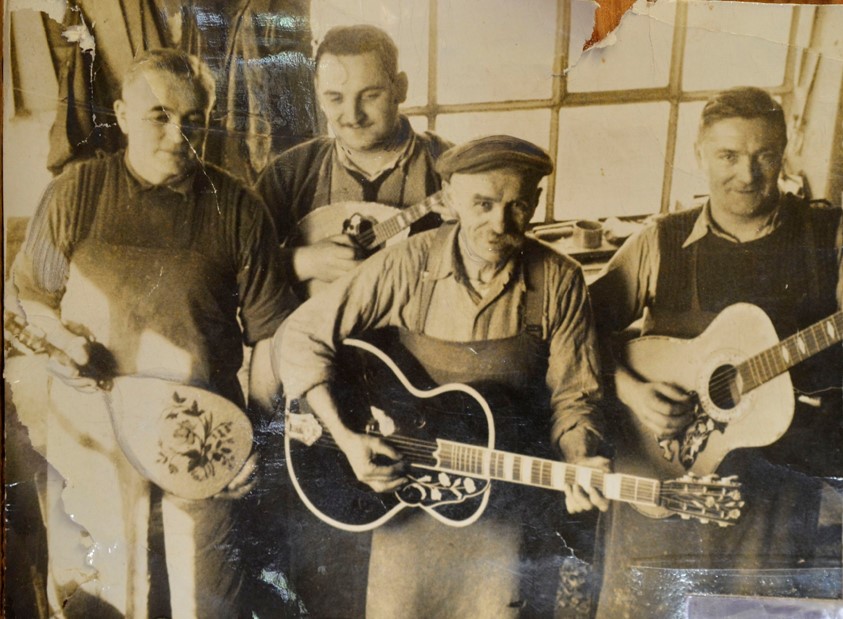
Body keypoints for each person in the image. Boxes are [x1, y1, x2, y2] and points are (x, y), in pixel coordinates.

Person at [275, 135, 611, 617]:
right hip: (411, 496)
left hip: (508, 494)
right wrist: (345, 437)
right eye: (483, 204)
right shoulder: (407, 263)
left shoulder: (560, 279)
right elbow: (302, 333)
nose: (499, 224)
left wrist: (578, 458)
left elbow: (575, 395)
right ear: (450, 199)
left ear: (536, 203)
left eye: (517, 206)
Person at [10, 49, 295, 618]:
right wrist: (60, 344)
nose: (177, 135)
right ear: (121, 115)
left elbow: (271, 339)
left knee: (209, 603)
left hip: (202, 439)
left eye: (193, 119)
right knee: (100, 601)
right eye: (159, 116)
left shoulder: (239, 208)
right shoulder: (76, 192)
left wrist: (255, 439)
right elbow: (28, 299)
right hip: (93, 438)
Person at [589, 86, 843, 617]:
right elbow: (576, 334)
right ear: (699, 153)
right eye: (728, 155)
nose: (746, 174)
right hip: (663, 468)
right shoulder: (660, 240)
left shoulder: (829, 237)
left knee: (751, 610)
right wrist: (631, 390)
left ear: (785, 152)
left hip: (774, 486)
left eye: (764, 155)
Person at [256, 24, 452, 300]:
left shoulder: (452, 168)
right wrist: (304, 261)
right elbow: (233, 267)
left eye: (370, 95)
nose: (353, 115)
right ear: (318, 94)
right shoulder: (289, 173)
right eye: (335, 98)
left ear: (400, 88)